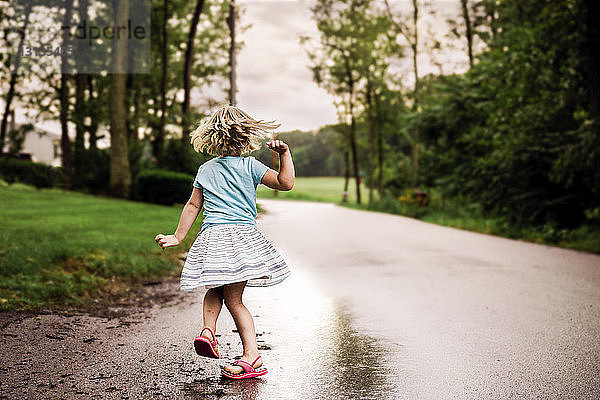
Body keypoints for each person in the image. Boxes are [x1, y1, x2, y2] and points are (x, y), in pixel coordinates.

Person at [154, 104, 294, 380]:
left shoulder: (206, 169)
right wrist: (284, 155)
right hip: (242, 239)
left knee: (217, 290)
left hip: (214, 238)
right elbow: (284, 182)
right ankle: (247, 353)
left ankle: (213, 334)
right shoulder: (251, 166)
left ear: (213, 138)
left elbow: (193, 205)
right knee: (234, 299)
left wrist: (178, 236)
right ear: (246, 138)